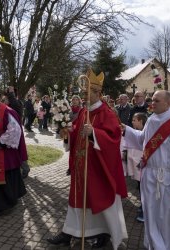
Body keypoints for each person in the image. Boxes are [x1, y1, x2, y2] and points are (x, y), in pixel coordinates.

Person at [47, 69, 128, 249]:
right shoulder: (84, 111)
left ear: (97, 93)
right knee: (77, 200)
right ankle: (69, 232)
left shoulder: (107, 113)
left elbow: (115, 138)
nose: (83, 96)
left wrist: (95, 134)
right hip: (81, 165)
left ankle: (104, 233)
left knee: (100, 200)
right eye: (83, 93)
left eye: (86, 93)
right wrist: (67, 132)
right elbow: (75, 130)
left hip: (98, 168)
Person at [123, 90, 170, 249]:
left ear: (169, 102)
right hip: (149, 176)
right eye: (152, 100)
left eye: (156, 101)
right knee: (151, 215)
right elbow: (141, 140)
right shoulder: (151, 120)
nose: (152, 103)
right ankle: (155, 245)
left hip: (168, 181)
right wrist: (126, 130)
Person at [0, 88, 27, 218]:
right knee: (10, 177)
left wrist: (2, 142)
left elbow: (15, 130)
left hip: (5, 153)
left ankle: (3, 205)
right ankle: (13, 196)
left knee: (6, 178)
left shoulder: (7, 112)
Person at [126, 112, 147, 222]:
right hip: (137, 164)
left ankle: (145, 209)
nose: (132, 122)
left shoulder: (145, 133)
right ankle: (143, 205)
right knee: (140, 187)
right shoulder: (135, 132)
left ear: (140, 121)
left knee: (144, 188)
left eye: (134, 120)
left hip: (143, 164)